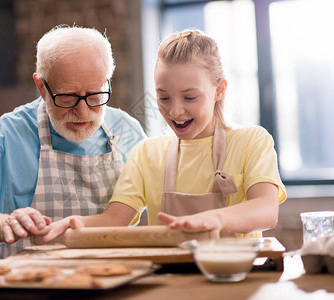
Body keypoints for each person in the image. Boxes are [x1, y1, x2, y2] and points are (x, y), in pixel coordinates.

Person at [42, 29, 287, 241]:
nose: (175, 111)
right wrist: (75, 224)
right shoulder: (146, 154)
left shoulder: (252, 141)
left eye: (190, 97)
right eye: (163, 97)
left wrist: (214, 219)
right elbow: (115, 219)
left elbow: (266, 211)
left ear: (219, 90)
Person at [0, 25, 146, 258]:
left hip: (114, 279)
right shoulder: (10, 135)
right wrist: (4, 224)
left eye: (95, 95)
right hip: (29, 286)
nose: (83, 112)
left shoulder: (126, 130)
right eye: (67, 97)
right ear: (41, 87)